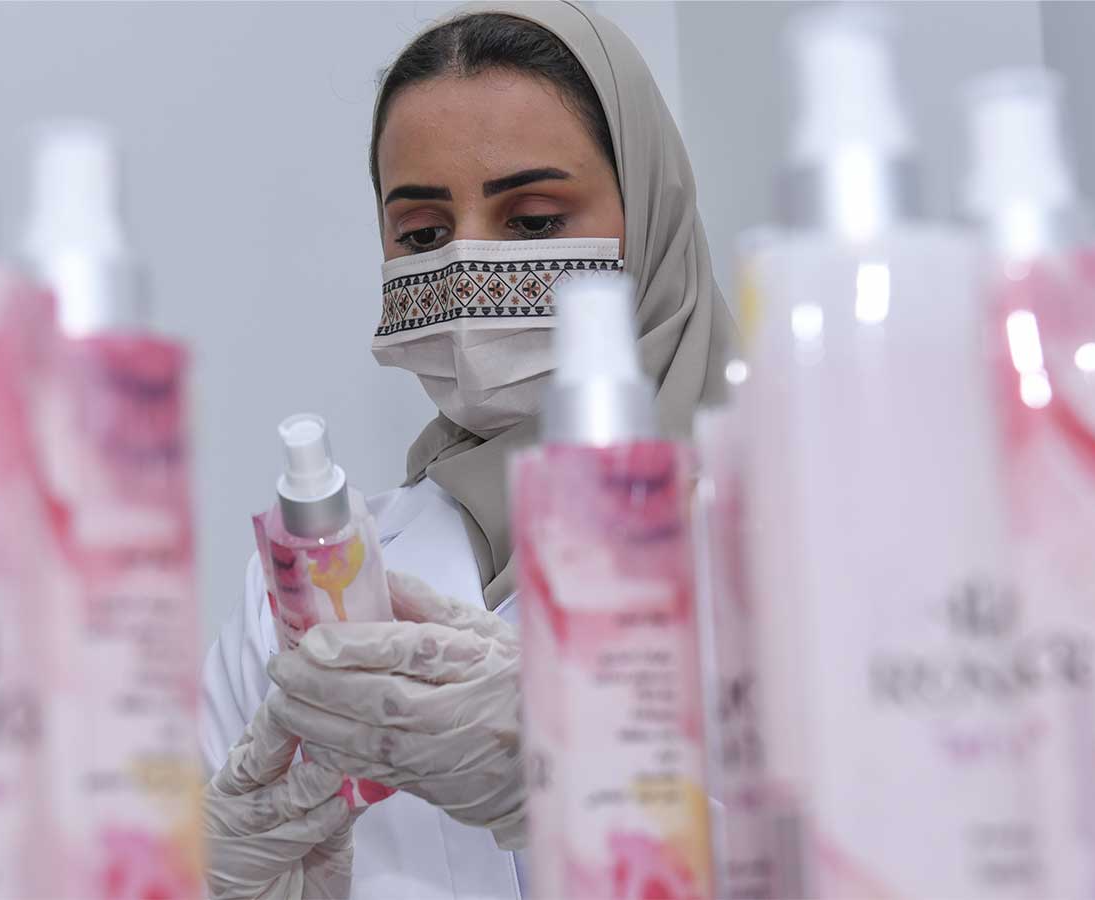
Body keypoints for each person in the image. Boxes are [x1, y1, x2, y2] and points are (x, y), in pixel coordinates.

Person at [199, 2, 735, 897]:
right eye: (422, 234)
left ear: (651, 214)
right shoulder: (300, 596)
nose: (466, 272)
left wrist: (598, 793)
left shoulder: (804, 539)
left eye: (534, 220)